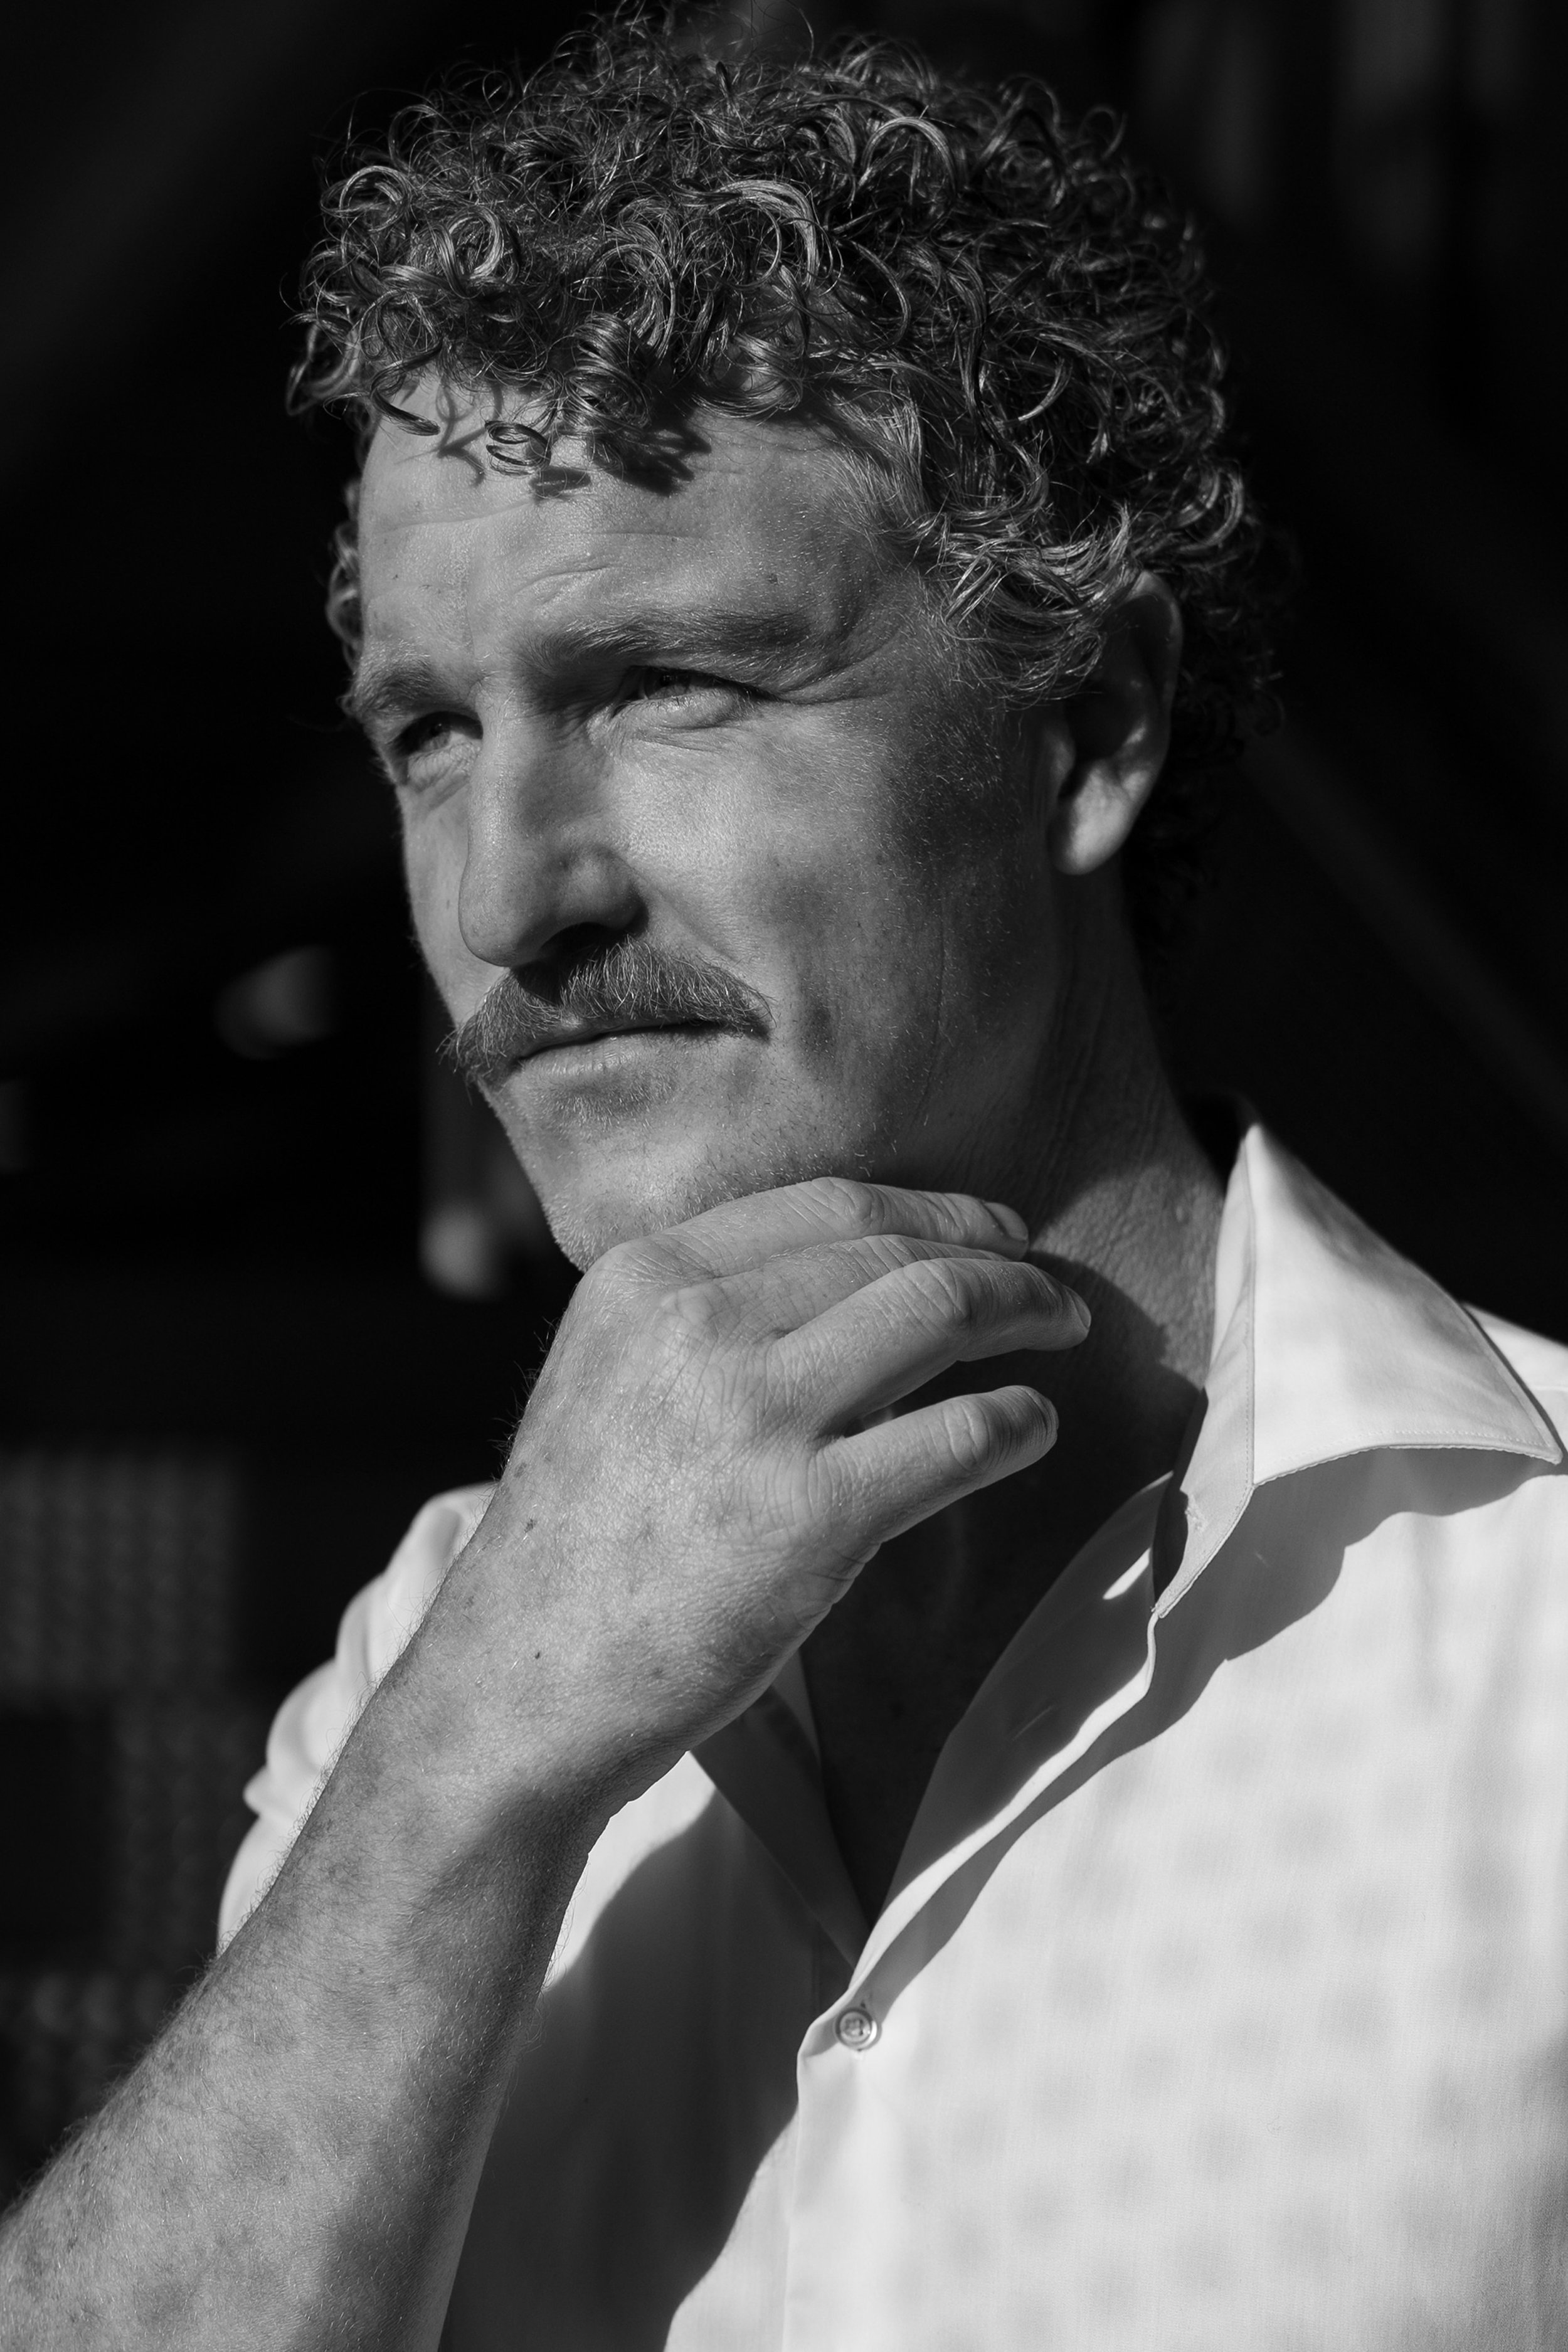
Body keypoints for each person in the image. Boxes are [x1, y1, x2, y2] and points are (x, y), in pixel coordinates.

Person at [4, 15, 1567, 2348]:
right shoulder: (440, 1667)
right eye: (431, 734)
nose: (512, 898)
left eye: (667, 687)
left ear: (1091, 730)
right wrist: (467, 1767)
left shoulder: (1534, 1656)